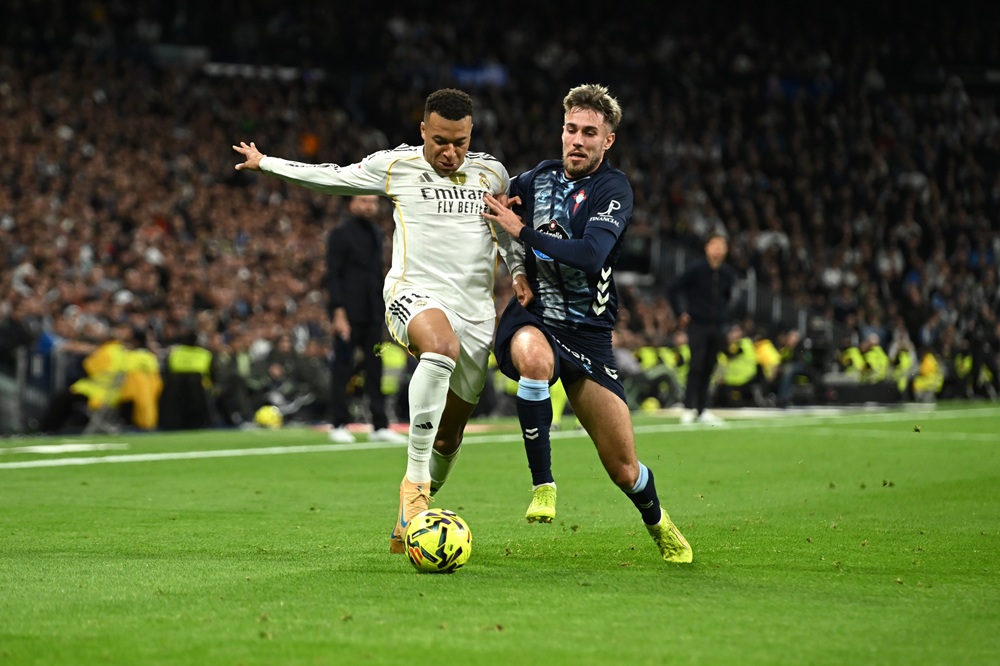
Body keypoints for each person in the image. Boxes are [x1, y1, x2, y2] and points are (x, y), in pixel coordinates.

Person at [233, 88, 530, 554]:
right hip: (414, 293)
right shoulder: (397, 166)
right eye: (440, 141)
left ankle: (409, 515)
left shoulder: (492, 172)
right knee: (440, 348)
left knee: (451, 435)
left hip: (476, 311)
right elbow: (332, 176)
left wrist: (517, 273)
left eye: (460, 142)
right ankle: (413, 487)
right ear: (422, 132)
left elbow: (505, 231)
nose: (450, 152)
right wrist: (267, 162)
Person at [481, 83, 693, 563]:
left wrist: (523, 232)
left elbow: (592, 255)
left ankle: (658, 521)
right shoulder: (534, 180)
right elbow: (494, 216)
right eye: (571, 129)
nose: (577, 140)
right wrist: (516, 267)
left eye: (589, 133)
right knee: (534, 360)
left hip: (590, 333)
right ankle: (543, 485)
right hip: (534, 317)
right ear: (562, 131)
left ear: (608, 141)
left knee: (623, 468)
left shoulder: (612, 189)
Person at [325, 195, 406, 444]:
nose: (369, 205)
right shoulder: (340, 234)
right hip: (349, 315)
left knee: (375, 367)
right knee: (343, 367)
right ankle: (338, 423)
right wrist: (338, 312)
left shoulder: (376, 233)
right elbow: (333, 275)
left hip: (372, 315)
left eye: (372, 201)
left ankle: (379, 425)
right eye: (363, 201)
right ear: (351, 204)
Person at [666, 231, 737, 425]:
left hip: (717, 326)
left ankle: (703, 409)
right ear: (707, 247)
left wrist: (725, 318)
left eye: (722, 246)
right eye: (714, 245)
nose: (718, 249)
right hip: (698, 324)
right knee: (696, 365)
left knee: (709, 366)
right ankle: (688, 407)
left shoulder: (727, 273)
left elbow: (728, 297)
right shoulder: (696, 269)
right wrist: (681, 313)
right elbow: (672, 289)